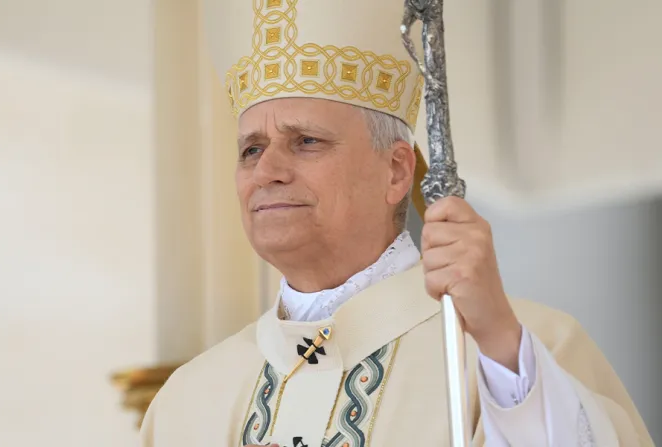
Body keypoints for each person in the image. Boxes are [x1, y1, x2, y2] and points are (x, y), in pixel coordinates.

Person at [141, 0, 654, 445]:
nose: (267, 171)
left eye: (306, 141)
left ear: (395, 171)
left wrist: (499, 343)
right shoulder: (189, 402)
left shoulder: (516, 356)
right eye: (251, 150)